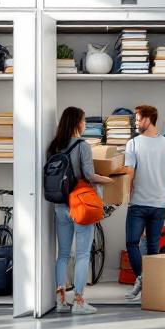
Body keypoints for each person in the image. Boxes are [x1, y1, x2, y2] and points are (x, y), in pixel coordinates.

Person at [48, 106, 114, 315]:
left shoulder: (54, 146)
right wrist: (110, 180)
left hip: (60, 205)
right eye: (84, 120)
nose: (85, 124)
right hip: (81, 205)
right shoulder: (82, 146)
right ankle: (78, 300)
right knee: (84, 253)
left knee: (64, 253)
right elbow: (89, 175)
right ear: (78, 123)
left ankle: (60, 300)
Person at [120, 104, 165, 302]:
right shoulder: (163, 144)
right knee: (148, 246)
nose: (136, 123)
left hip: (145, 204)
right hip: (154, 204)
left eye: (138, 119)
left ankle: (142, 280)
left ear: (147, 119)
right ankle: (145, 281)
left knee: (137, 243)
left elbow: (130, 174)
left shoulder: (135, 144)